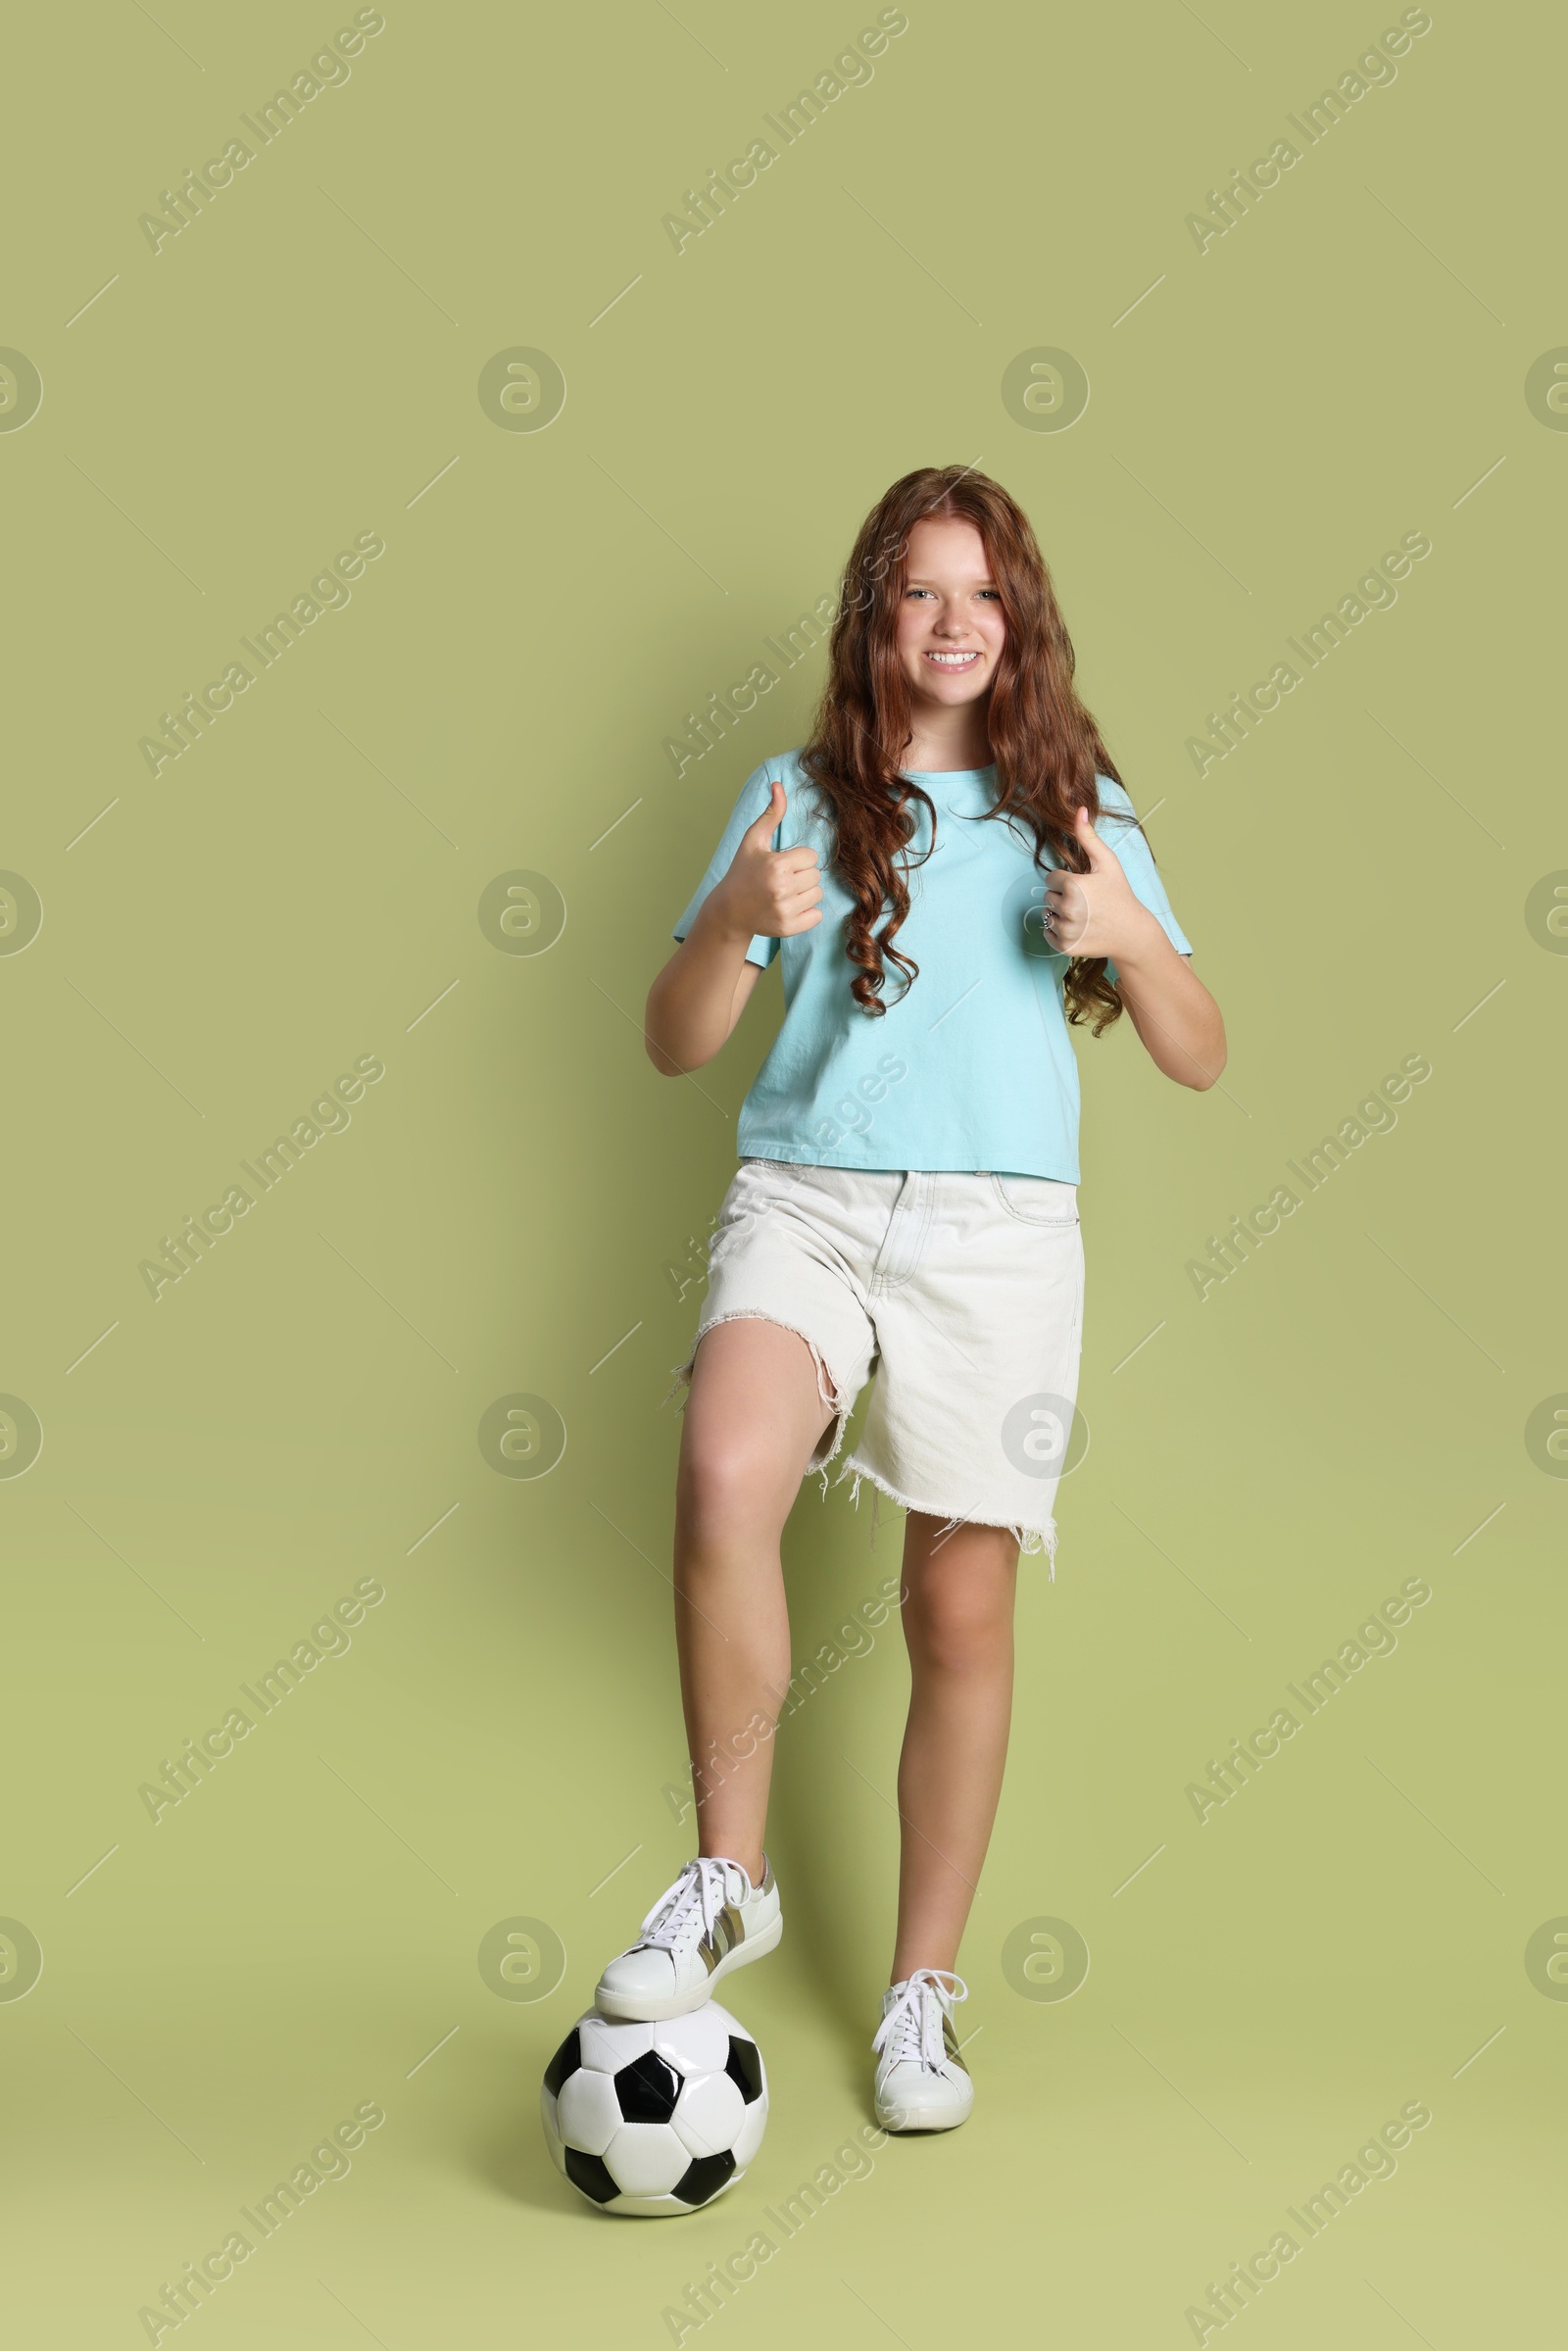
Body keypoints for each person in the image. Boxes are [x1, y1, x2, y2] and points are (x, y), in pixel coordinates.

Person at [594, 465, 1226, 2133]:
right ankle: (731, 1879)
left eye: (983, 594)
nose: (952, 622)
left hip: (997, 1236)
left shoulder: (1075, 803)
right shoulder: (794, 798)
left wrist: (1133, 940)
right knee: (726, 1471)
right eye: (917, 592)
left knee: (957, 1615)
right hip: (804, 1201)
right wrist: (734, 917)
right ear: (873, 617)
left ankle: (918, 1997)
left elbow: (1201, 1053)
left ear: (1019, 623)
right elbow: (674, 1042)